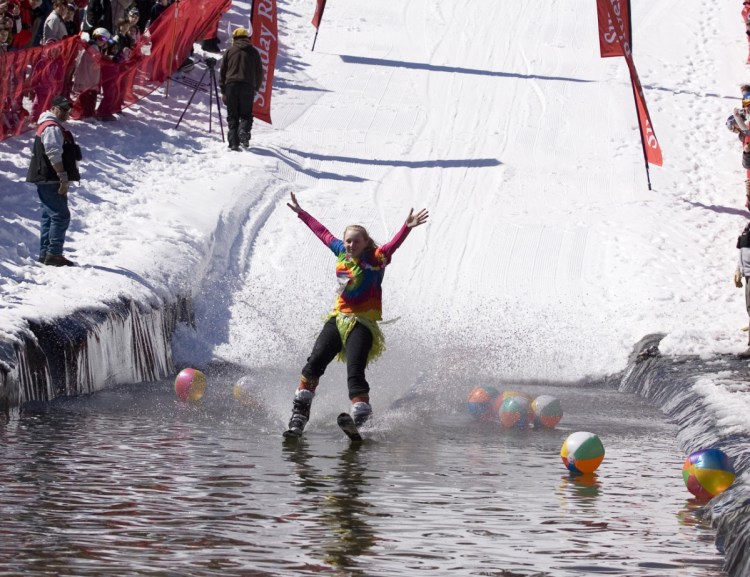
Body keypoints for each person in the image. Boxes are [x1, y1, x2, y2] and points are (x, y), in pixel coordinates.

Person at [283, 192, 429, 437]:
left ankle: (362, 418)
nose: (351, 245)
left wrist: (407, 227)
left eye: (356, 242)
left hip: (362, 324)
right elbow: (323, 233)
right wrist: (302, 214)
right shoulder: (341, 252)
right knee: (314, 362)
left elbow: (393, 245)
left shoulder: (377, 258)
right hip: (338, 318)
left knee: (355, 370)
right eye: (348, 241)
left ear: (365, 242)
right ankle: (299, 415)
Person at [25, 95, 81, 266]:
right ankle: (54, 254)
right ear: (54, 108)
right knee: (60, 215)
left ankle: (46, 254)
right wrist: (62, 175)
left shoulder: (50, 125)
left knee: (49, 216)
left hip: (47, 177)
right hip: (50, 177)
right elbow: (53, 152)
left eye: (68, 110)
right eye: (63, 109)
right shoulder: (52, 127)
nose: (66, 113)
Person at [219, 26, 263, 151]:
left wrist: (223, 90)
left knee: (232, 114)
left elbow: (223, 72)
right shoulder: (254, 52)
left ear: (234, 38)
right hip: (247, 86)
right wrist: (256, 88)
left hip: (231, 86)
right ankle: (243, 131)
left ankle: (233, 143)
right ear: (247, 38)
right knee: (246, 114)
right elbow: (259, 72)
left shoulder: (229, 51)